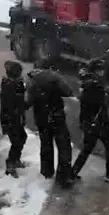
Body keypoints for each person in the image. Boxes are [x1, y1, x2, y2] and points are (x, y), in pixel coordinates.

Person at [26, 58, 75, 188]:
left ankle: (46, 171)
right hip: (56, 116)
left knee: (46, 144)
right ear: (50, 68)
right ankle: (63, 176)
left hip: (41, 117)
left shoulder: (32, 79)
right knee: (64, 146)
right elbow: (68, 91)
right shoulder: (55, 77)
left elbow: (28, 101)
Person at [71, 59, 109, 182]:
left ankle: (72, 172)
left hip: (88, 120)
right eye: (101, 70)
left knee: (87, 148)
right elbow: (102, 102)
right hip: (98, 120)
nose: (103, 72)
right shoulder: (95, 85)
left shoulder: (87, 82)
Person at [0, 60, 29, 178]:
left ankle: (15, 160)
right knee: (17, 141)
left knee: (22, 138)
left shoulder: (12, 84)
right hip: (11, 119)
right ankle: (10, 164)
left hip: (14, 118)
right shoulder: (11, 87)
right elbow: (16, 104)